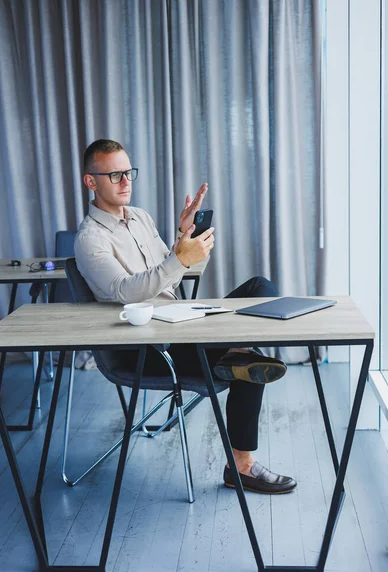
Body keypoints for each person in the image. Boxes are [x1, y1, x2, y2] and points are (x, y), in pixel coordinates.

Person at [75, 139, 297, 494]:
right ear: (91, 181)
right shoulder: (89, 239)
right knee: (250, 366)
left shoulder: (142, 218)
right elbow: (126, 290)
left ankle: (235, 356)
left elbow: (177, 274)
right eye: (115, 174)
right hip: (148, 348)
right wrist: (179, 256)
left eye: (128, 172)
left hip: (179, 325)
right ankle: (241, 460)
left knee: (260, 287)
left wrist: (185, 238)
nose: (125, 181)